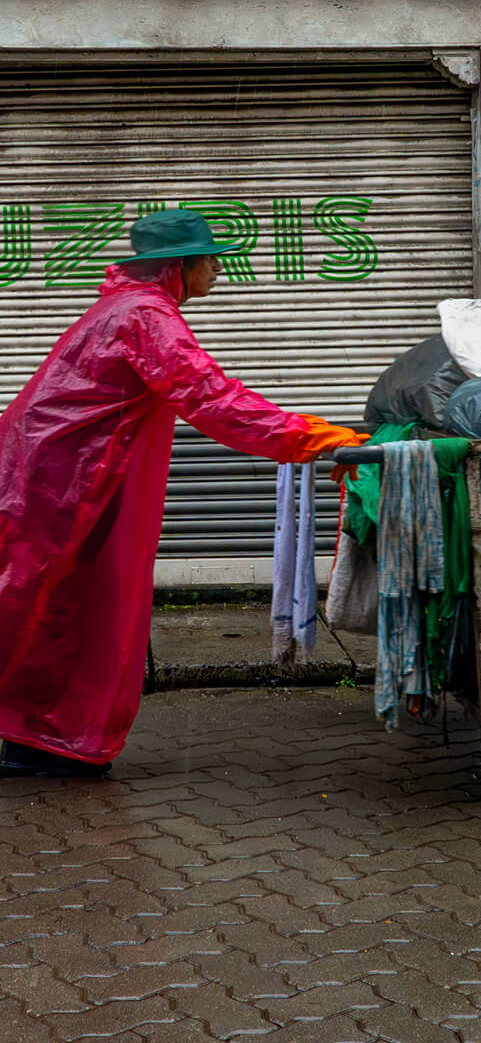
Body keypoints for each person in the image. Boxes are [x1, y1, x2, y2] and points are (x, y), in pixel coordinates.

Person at [0, 209, 365, 778]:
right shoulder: (146, 315)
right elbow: (211, 399)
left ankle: (40, 739)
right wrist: (309, 436)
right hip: (63, 480)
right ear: (178, 266)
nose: (218, 268)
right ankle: (48, 740)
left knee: (56, 608)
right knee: (59, 608)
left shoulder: (129, 308)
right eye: (210, 258)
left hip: (58, 473)